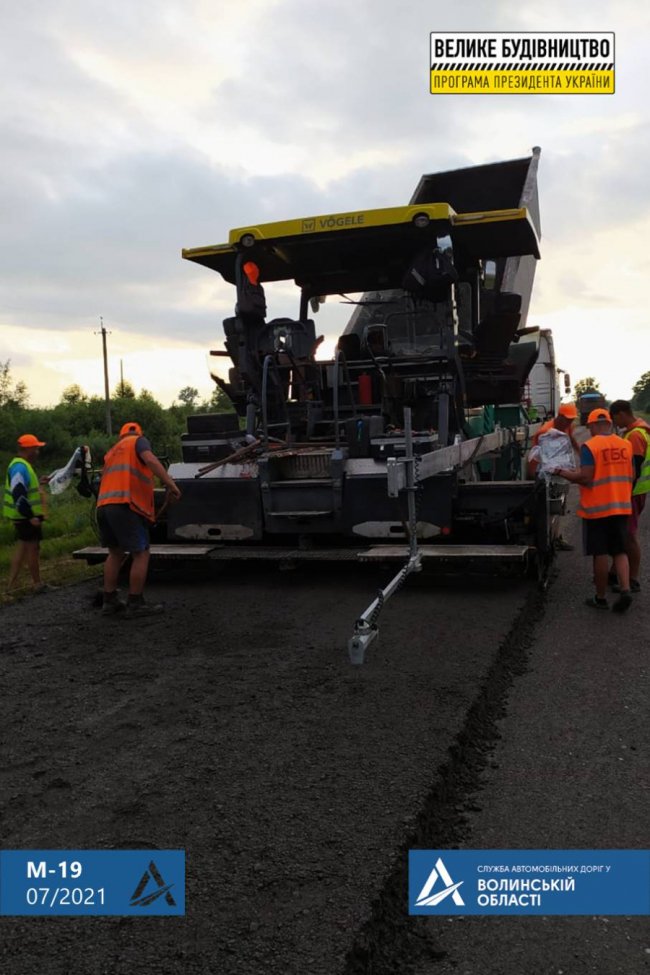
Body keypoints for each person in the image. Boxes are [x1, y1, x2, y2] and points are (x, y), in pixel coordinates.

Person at [96, 422, 181, 617]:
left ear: (121, 435)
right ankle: (135, 603)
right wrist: (171, 484)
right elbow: (150, 460)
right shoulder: (138, 442)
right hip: (125, 504)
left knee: (115, 552)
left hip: (104, 505)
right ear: (138, 434)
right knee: (141, 553)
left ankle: (109, 601)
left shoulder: (112, 452)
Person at [555, 408, 634, 613]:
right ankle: (625, 590)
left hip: (598, 509)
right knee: (619, 550)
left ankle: (600, 598)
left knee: (600, 552)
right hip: (621, 506)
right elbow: (631, 475)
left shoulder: (591, 447)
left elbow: (586, 478)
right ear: (609, 423)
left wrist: (561, 472)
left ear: (592, 425)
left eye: (589, 427)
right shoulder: (625, 444)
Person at [608, 399, 650, 592]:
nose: (615, 423)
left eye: (615, 419)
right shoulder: (637, 431)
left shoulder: (635, 436)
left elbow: (634, 469)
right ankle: (615, 572)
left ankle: (632, 579)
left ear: (622, 414)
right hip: (636, 491)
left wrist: (623, 493)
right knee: (624, 533)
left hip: (633, 492)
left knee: (629, 535)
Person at [3, 434, 53, 594]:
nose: (38, 452)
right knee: (32, 549)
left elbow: (24, 487)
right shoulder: (20, 466)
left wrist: (38, 482)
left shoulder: (21, 465)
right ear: (28, 449)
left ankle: (10, 585)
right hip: (25, 517)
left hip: (22, 516)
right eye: (36, 448)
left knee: (23, 548)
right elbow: (18, 492)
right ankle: (37, 585)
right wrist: (30, 515)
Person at [528, 403, 580, 550]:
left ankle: (556, 537)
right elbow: (536, 457)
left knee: (559, 504)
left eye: (572, 420)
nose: (570, 422)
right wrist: (534, 478)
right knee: (548, 506)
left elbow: (571, 438)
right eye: (568, 419)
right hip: (545, 473)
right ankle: (548, 540)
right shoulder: (545, 432)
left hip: (559, 471)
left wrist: (580, 452)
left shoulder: (566, 426)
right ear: (560, 416)